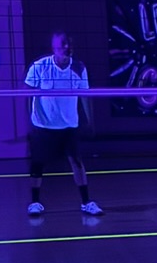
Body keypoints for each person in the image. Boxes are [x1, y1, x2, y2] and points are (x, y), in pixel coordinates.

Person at [24, 31, 101, 217]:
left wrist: (90, 121)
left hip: (68, 126)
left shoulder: (79, 68)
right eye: (63, 44)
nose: (67, 47)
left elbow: (85, 96)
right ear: (54, 48)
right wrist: (29, 121)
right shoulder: (39, 66)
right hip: (43, 125)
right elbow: (27, 93)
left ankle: (86, 202)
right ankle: (35, 202)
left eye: (69, 44)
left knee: (77, 162)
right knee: (38, 163)